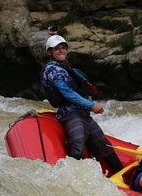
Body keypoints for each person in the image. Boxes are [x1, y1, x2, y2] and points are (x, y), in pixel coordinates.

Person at [40, 34, 123, 174]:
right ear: (50, 52)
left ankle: (123, 177)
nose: (61, 51)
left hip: (82, 114)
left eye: (63, 48)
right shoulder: (52, 70)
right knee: (77, 148)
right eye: (57, 49)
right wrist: (91, 105)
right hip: (70, 115)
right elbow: (67, 93)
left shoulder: (64, 67)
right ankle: (69, 179)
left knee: (104, 147)